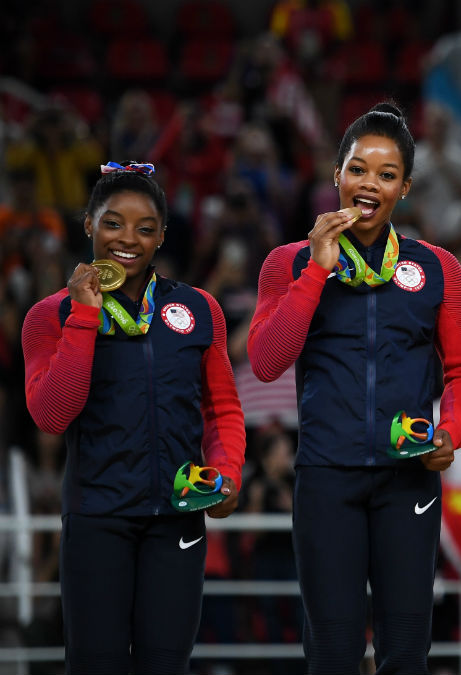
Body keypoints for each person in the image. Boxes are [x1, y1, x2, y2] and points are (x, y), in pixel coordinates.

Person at [247, 101, 461, 674]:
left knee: (405, 654)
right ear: (337, 175)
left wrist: (449, 432)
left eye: (386, 174)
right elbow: (266, 361)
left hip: (409, 479)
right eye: (358, 168)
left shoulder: (437, 267)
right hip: (327, 477)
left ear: (404, 187)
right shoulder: (289, 262)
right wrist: (316, 271)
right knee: (332, 653)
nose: (369, 183)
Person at [21, 161, 245, 673]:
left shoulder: (198, 309)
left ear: (162, 236)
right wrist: (84, 317)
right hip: (98, 520)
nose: (128, 239)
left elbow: (223, 408)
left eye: (145, 229)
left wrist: (227, 472)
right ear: (88, 225)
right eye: (113, 223)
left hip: (177, 521)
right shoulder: (49, 316)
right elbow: (53, 415)